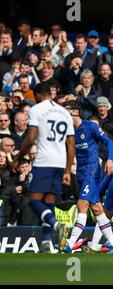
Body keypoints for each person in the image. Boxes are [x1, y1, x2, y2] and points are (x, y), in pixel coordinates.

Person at [12, 83, 75, 253]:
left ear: (39, 95)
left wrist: (17, 158)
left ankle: (56, 225)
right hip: (61, 162)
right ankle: (46, 243)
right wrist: (68, 170)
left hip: (44, 161)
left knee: (33, 200)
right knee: (49, 201)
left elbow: (31, 137)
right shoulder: (65, 112)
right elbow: (71, 143)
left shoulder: (37, 109)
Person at [62, 101, 113, 253]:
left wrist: (110, 159)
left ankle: (69, 242)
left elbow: (109, 142)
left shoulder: (90, 126)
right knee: (97, 209)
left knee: (82, 205)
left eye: (65, 111)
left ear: (75, 112)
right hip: (80, 173)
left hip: (92, 171)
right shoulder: (69, 132)